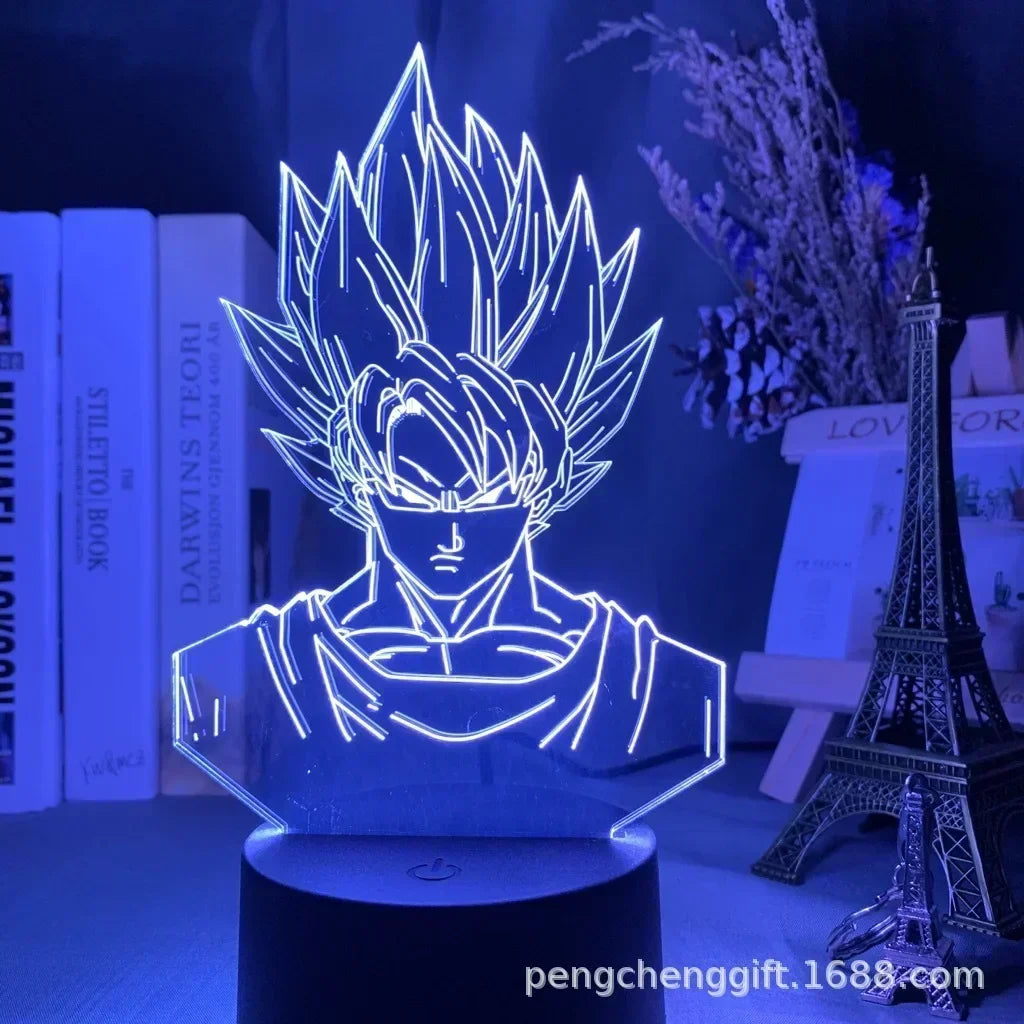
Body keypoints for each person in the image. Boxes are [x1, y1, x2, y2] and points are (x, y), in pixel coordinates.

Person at [173, 47, 724, 835]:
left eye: (488, 502)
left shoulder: (650, 680)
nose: (453, 536)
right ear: (363, 485)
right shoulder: (256, 670)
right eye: (416, 501)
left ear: (539, 489)